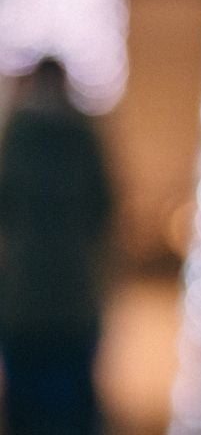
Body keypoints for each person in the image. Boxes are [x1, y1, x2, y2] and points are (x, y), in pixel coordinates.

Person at [0, 58, 114, 435]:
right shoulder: (83, 136)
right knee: (73, 400)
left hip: (23, 292)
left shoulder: (16, 136)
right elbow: (103, 209)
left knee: (26, 403)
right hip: (73, 291)